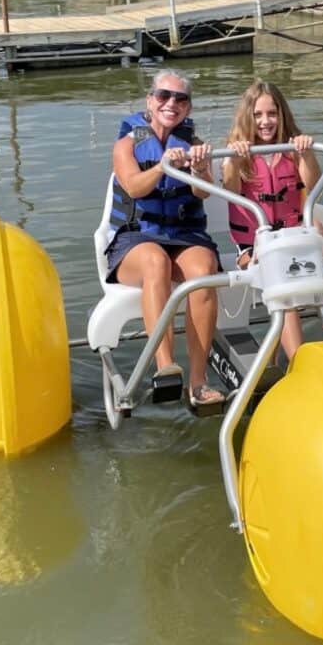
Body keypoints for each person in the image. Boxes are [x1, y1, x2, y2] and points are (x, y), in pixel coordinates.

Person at [106, 69, 224, 407]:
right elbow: (133, 186)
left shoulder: (195, 145)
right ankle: (166, 366)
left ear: (188, 108)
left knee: (204, 271)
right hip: (136, 237)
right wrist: (161, 167)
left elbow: (202, 194)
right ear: (150, 100)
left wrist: (199, 168)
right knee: (155, 261)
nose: (171, 103)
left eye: (180, 99)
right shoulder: (126, 145)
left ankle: (199, 383)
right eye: (164, 96)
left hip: (184, 234)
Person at [222, 80, 323, 360]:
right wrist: (235, 161)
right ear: (247, 117)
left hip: (292, 238)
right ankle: (298, 358)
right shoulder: (235, 152)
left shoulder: (292, 147)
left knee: (317, 226)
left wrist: (305, 153)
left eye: (272, 114)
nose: (265, 122)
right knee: (282, 275)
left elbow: (313, 185)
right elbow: (230, 189)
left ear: (282, 115)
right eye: (258, 115)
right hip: (255, 249)